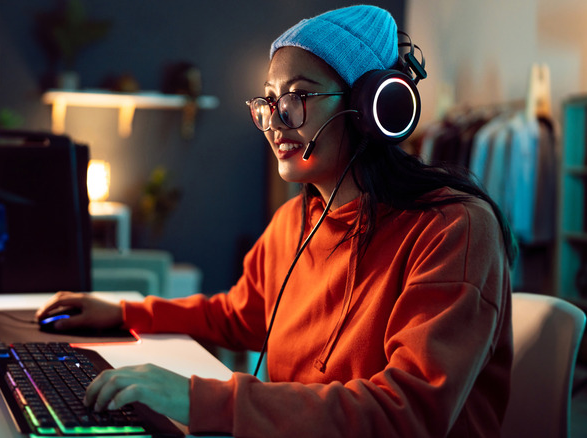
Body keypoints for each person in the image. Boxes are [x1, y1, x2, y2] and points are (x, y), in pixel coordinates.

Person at [36, 5, 517, 437]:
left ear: (373, 108)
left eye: (298, 97)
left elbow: (406, 413)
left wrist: (196, 399)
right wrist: (124, 314)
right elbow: (238, 315)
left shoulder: (453, 229)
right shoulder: (294, 222)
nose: (275, 121)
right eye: (268, 102)